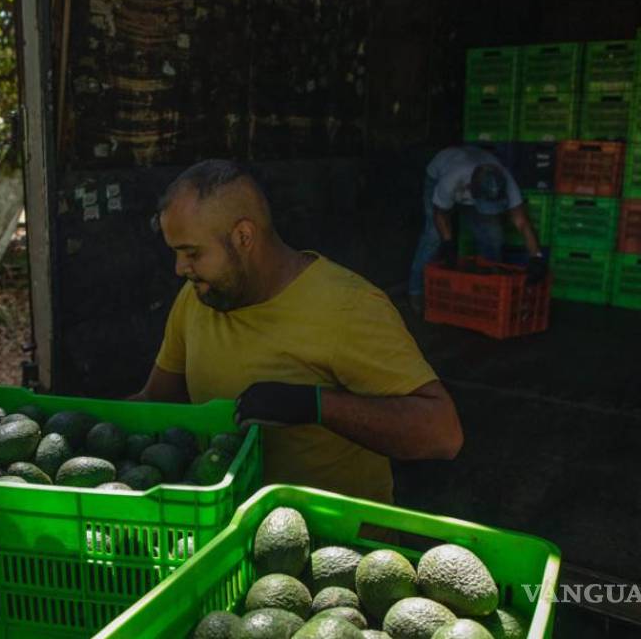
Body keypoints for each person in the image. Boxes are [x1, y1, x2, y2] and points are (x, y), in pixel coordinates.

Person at [131, 159, 462, 505]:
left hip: (331, 536)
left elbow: (443, 433)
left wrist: (316, 405)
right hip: (227, 525)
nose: (180, 268)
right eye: (176, 253)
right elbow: (155, 401)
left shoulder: (347, 306)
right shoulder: (197, 298)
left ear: (243, 237)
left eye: (192, 253)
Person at [406, 146, 547, 313]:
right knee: (433, 236)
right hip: (437, 175)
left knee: (493, 237)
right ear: (470, 189)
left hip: (471, 177)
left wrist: (536, 256)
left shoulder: (506, 182)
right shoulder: (451, 180)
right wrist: (448, 242)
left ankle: (488, 291)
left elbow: (522, 222)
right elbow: (440, 215)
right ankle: (415, 291)